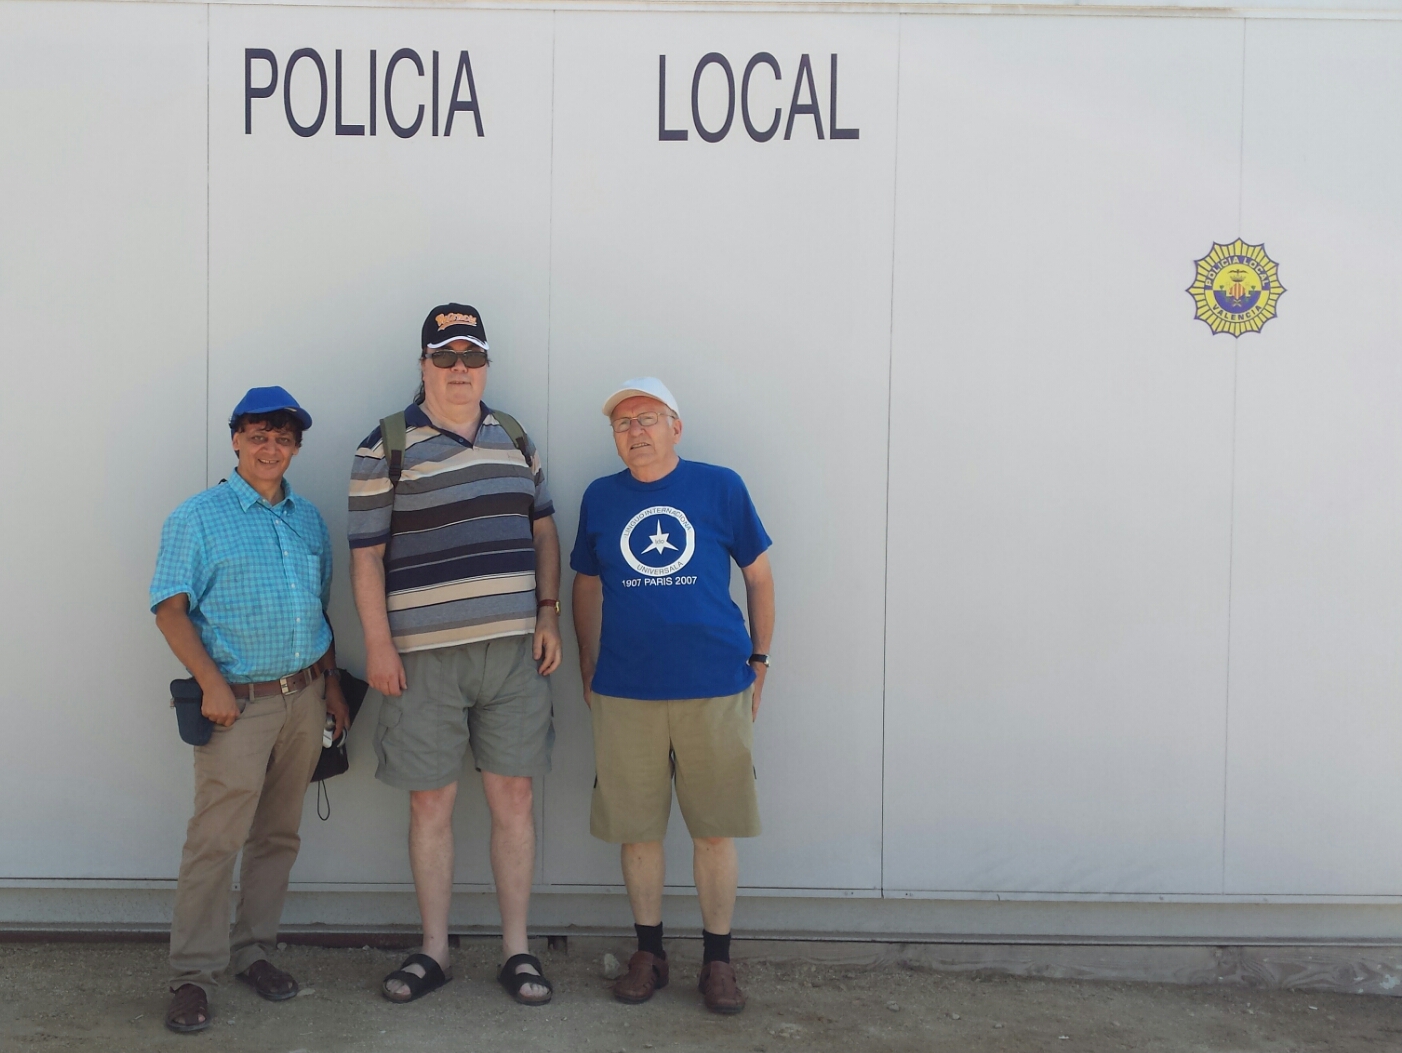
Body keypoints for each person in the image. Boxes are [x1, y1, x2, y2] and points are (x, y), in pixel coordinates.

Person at [349, 304, 562, 1006]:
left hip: (513, 655)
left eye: (471, 356)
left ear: (486, 365)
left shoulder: (516, 437)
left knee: (514, 799)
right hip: (423, 659)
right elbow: (366, 556)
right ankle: (434, 949)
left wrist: (549, 612)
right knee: (430, 802)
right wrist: (378, 643)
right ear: (424, 365)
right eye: (445, 356)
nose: (459, 368)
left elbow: (544, 532)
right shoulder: (385, 445)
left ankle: (517, 951)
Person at [570, 376, 775, 1014]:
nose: (635, 431)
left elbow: (759, 578)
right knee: (638, 833)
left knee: (715, 833)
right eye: (623, 423)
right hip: (625, 691)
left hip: (715, 686)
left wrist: (760, 660)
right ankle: (649, 953)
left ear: (675, 428)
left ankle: (718, 962)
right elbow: (585, 584)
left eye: (648, 418)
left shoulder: (721, 487)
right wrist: (587, 663)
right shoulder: (600, 497)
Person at [151, 386, 348, 1033]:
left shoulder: (308, 518)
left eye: (283, 438)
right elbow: (169, 610)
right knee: (216, 840)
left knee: (277, 835)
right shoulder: (197, 517)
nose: (271, 448)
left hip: (304, 699)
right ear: (236, 439)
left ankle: (253, 951)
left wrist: (333, 687)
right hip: (235, 705)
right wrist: (209, 682)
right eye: (259, 435)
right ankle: (193, 975)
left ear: (295, 448)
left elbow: (320, 609)